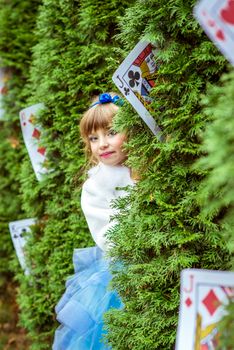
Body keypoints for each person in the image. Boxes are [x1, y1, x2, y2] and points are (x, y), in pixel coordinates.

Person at [53, 92, 135, 350]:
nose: (102, 144)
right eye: (93, 138)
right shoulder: (95, 186)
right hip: (121, 271)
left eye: (111, 132)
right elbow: (107, 236)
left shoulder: (146, 169)